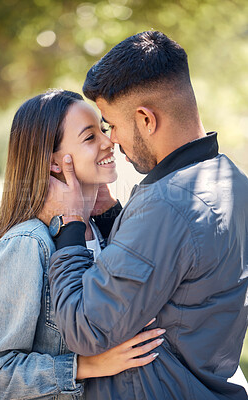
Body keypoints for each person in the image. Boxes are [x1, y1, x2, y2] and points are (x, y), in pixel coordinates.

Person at [42, 31, 248, 399]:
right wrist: (109, 216)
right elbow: (174, 270)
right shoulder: (232, 180)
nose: (113, 141)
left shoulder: (169, 204)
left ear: (146, 119)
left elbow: (85, 328)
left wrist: (71, 224)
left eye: (112, 125)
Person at [0, 89, 165, 400]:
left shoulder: (102, 231)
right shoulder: (28, 244)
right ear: (54, 163)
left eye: (104, 130)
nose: (110, 142)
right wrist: (85, 366)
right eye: (90, 137)